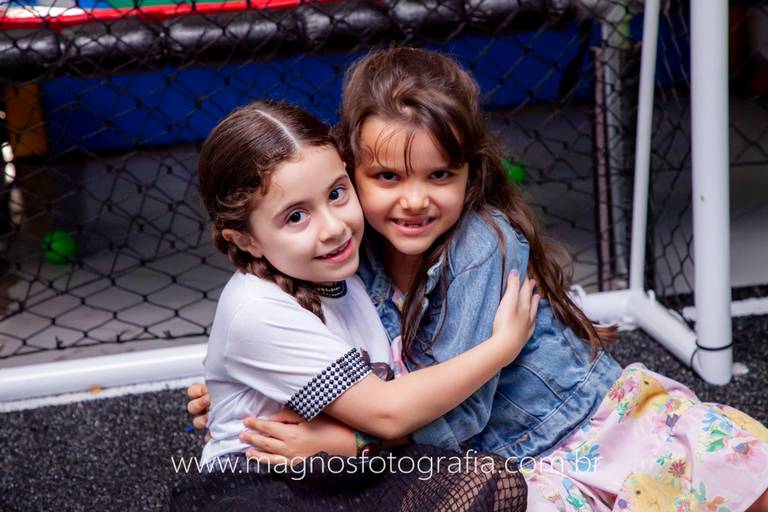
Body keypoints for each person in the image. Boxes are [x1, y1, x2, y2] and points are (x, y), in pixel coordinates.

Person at [189, 48, 768, 511]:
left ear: (471, 173)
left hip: (572, 429)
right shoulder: (348, 247)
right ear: (352, 169)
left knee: (734, 475)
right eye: (387, 177)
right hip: (493, 461)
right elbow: (337, 351)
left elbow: (460, 415)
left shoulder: (479, 248)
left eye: (440, 175)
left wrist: (344, 442)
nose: (414, 200)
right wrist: (263, 383)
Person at [178, 98, 531, 510]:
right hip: (264, 478)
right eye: (296, 217)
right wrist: (501, 347)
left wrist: (349, 442)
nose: (333, 227)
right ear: (246, 240)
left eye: (336, 193)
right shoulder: (255, 308)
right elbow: (388, 412)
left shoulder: (342, 271)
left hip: (344, 467)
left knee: (494, 482)